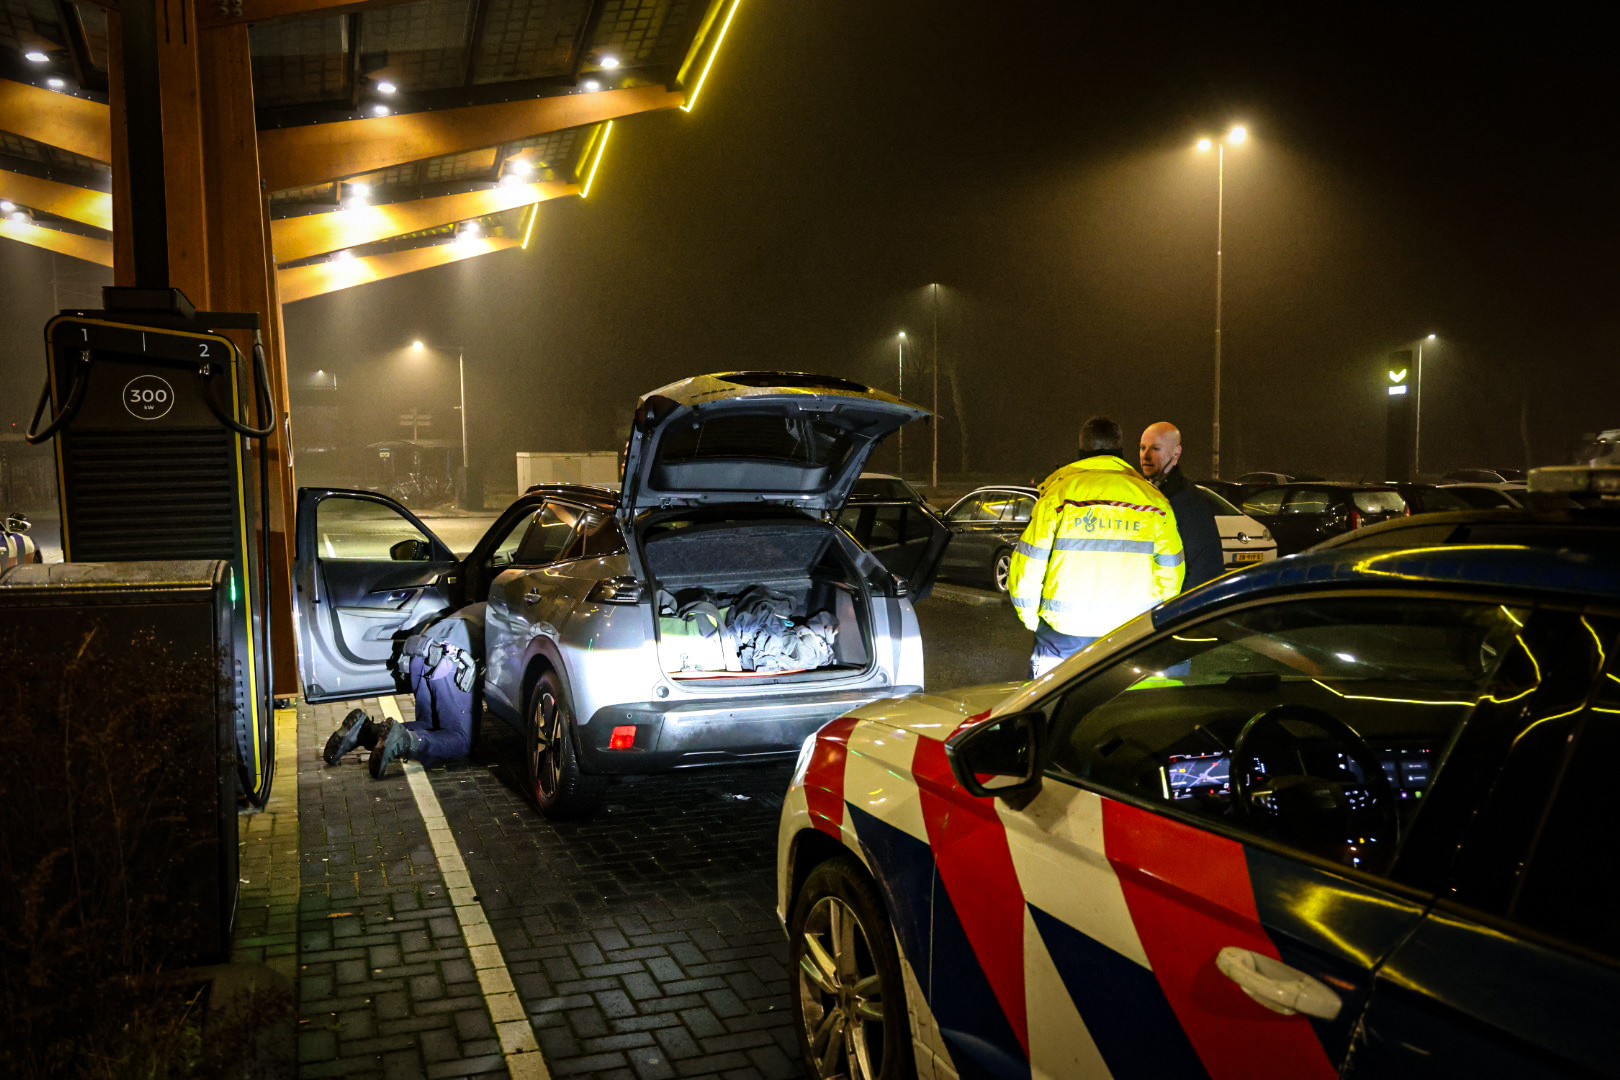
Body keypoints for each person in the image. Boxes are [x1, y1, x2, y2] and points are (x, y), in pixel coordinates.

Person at [1010, 416, 1184, 677]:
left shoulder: (1058, 497)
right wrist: (1149, 623)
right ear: (1120, 450)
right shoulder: (1154, 503)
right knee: (1124, 701)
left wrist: (1034, 621)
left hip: (1063, 635)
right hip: (1130, 635)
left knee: (1055, 701)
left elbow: (1028, 567)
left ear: (1082, 450)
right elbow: (1170, 575)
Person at [323, 604, 485, 778]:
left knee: (430, 726)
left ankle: (366, 732)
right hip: (450, 661)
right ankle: (404, 741)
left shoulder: (483, 606)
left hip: (420, 656)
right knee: (462, 739)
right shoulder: (504, 611)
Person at [1139, 421, 1224, 591]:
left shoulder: (1190, 502)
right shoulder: (1146, 494)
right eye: (1143, 448)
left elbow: (1203, 569)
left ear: (1176, 452)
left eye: (1155, 449)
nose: (1146, 456)